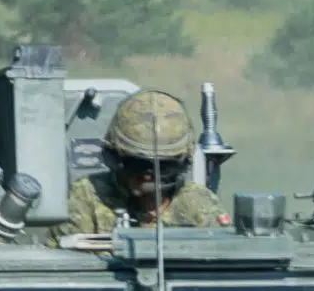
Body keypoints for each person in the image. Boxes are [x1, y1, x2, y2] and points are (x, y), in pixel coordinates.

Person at [66, 89, 225, 231]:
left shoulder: (200, 205)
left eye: (164, 166)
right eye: (137, 164)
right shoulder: (88, 197)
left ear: (183, 162)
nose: (149, 176)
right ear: (114, 157)